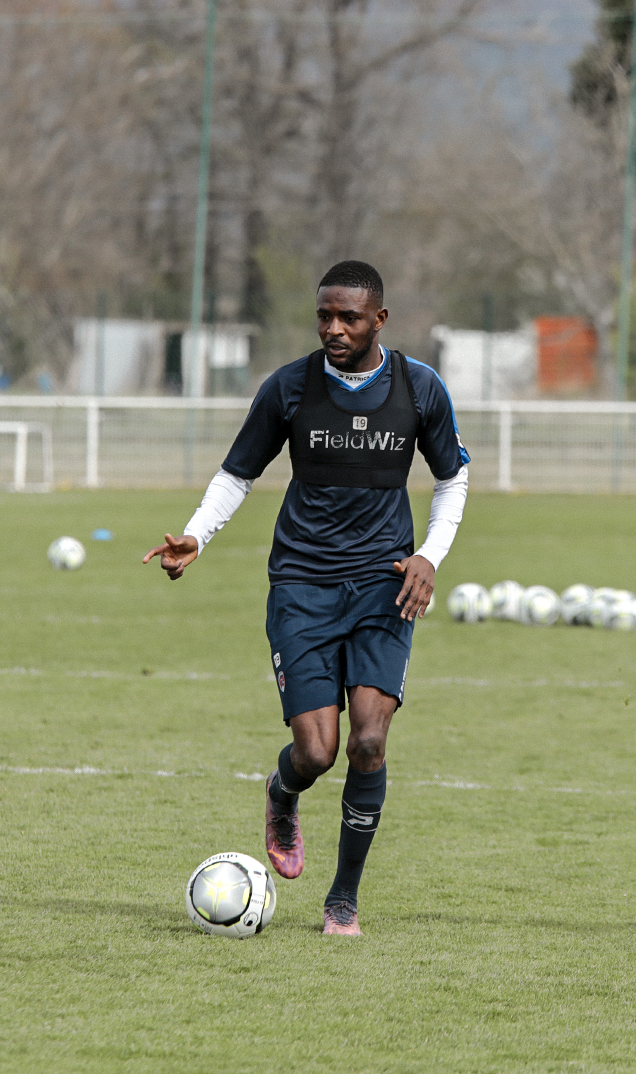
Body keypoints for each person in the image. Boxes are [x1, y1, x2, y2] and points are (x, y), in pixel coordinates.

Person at [144, 260, 468, 937]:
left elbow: (452, 479)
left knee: (370, 742)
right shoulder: (289, 388)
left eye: (349, 317)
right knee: (318, 752)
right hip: (302, 585)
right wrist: (197, 538)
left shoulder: (420, 388)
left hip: (385, 585)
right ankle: (283, 792)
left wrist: (430, 556)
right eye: (324, 315)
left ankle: (342, 900)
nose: (333, 328)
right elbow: (238, 473)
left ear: (379, 319)